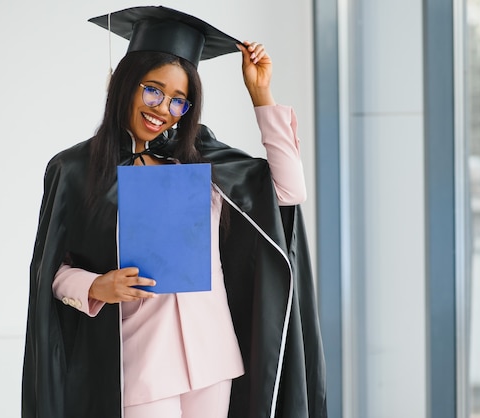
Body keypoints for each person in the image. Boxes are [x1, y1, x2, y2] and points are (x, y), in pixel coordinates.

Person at [22, 5, 327, 418]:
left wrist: (261, 95)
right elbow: (50, 273)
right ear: (122, 83)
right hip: (141, 361)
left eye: (179, 101)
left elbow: (290, 190)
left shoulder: (200, 160)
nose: (163, 108)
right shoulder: (75, 169)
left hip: (212, 358)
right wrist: (96, 286)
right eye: (153, 90)